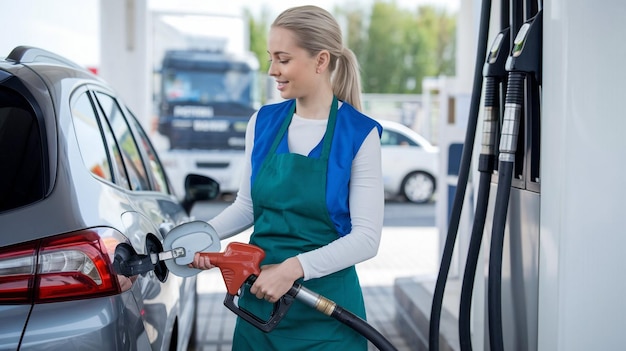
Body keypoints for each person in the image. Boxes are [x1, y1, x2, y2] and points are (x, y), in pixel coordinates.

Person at [190, 5, 384, 350]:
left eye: (283, 59)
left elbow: (367, 238)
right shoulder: (262, 122)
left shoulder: (359, 134)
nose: (272, 70)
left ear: (320, 61)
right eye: (270, 59)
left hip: (327, 315)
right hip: (259, 310)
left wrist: (293, 268)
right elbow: (247, 206)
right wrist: (204, 236)